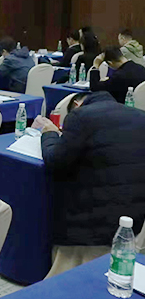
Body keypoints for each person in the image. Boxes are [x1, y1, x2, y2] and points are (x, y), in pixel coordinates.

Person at [36, 92, 145, 277]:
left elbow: (55, 160)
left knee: (71, 279)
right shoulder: (140, 115)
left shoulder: (80, 116)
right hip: (133, 217)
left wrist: (49, 134)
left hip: (88, 224)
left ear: (77, 104)